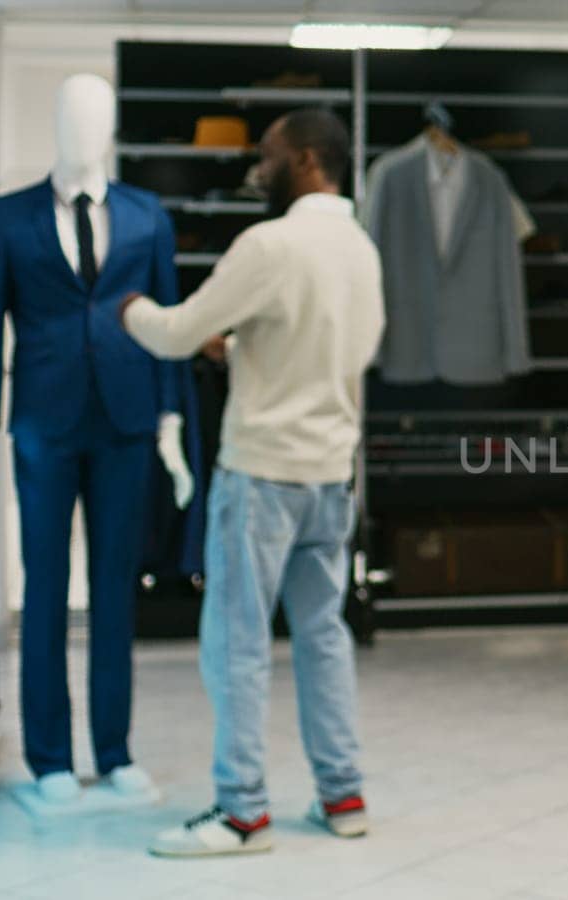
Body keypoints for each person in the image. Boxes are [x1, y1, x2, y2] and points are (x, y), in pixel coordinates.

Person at [120, 108, 385, 857]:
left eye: (266, 157)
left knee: (234, 643)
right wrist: (241, 347)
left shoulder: (268, 243)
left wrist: (132, 307)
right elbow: (343, 347)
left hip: (261, 476)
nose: (256, 170)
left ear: (305, 159)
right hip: (331, 477)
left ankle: (242, 812)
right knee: (322, 637)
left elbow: (172, 332)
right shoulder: (361, 248)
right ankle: (344, 795)